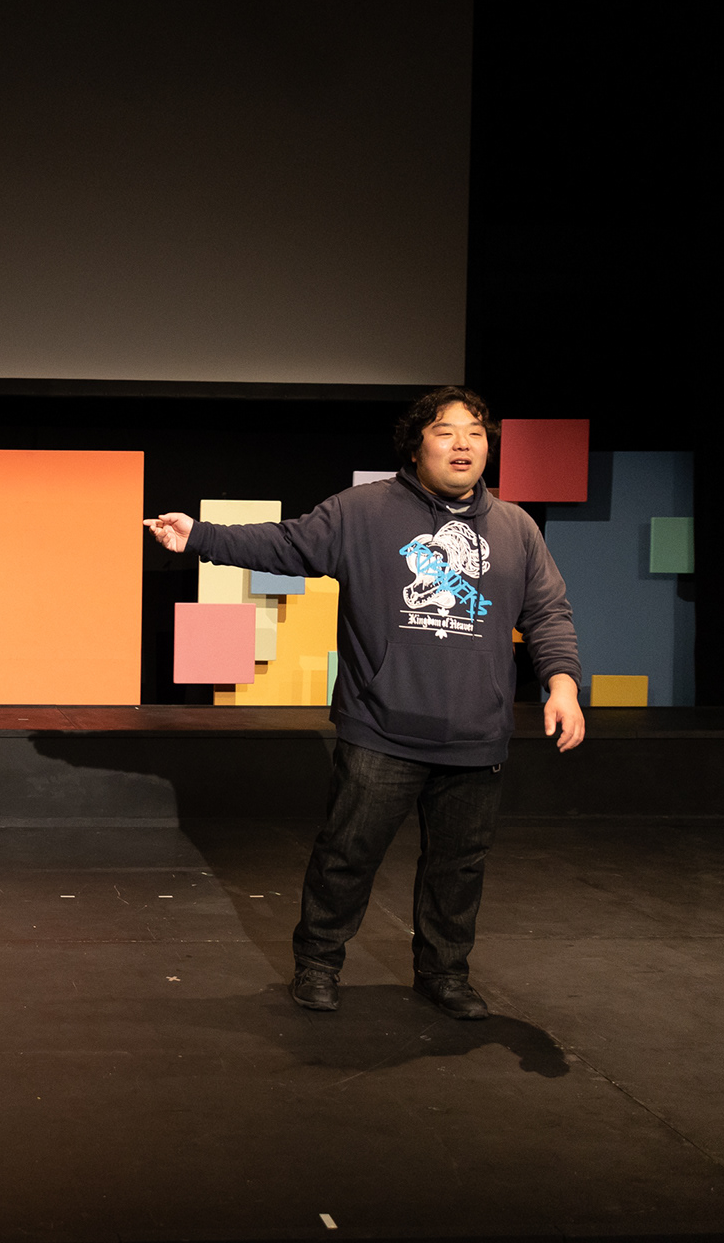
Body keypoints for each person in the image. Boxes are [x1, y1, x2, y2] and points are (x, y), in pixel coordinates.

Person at [145, 388, 584, 1019]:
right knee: (346, 857)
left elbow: (547, 613)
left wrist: (562, 683)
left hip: (476, 733)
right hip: (382, 727)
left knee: (459, 868)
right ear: (415, 445)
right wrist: (200, 536)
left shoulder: (516, 528)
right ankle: (319, 964)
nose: (463, 444)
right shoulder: (364, 511)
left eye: (475, 433)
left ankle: (444, 973)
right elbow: (285, 545)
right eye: (445, 431)